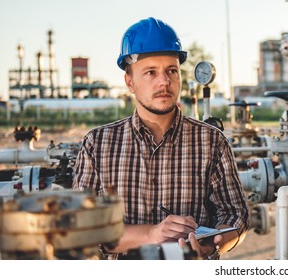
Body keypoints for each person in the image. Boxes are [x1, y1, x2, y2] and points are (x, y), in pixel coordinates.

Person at [73, 17, 249, 260]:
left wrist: (211, 246)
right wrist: (152, 234)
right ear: (129, 82)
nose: (164, 81)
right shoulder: (98, 144)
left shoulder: (211, 142)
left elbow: (235, 216)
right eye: (150, 72)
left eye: (171, 71)